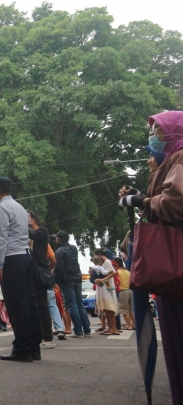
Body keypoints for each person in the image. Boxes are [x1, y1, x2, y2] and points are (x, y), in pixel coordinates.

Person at [119, 111, 183, 404]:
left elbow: (174, 204)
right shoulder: (174, 160)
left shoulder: (180, 158)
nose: (153, 134)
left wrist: (142, 201)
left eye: (158, 129)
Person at [0, 176, 42, 363]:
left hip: (12, 259)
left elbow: (0, 239)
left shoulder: (1, 208)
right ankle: (34, 348)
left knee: (17, 305)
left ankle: (22, 349)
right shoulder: (19, 207)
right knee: (29, 303)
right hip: (26, 257)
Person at [54, 231, 92, 338]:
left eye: (56, 238)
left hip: (66, 280)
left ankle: (78, 331)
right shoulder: (74, 248)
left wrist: (56, 280)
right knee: (79, 304)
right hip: (77, 277)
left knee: (72, 304)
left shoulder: (59, 251)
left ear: (59, 239)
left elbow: (59, 268)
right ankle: (87, 329)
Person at [27, 210, 55, 349]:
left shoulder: (42, 231)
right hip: (30, 272)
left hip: (40, 272)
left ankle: (48, 337)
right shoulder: (28, 235)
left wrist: (18, 223)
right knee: (33, 305)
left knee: (42, 305)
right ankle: (35, 335)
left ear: (33, 219)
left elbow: (32, 234)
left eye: (26, 217)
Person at [92, 249, 119, 335]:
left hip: (107, 287)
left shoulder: (107, 262)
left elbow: (114, 273)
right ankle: (110, 327)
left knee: (109, 308)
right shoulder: (102, 263)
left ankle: (114, 328)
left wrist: (103, 279)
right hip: (102, 287)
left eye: (95, 255)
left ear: (99, 254)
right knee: (106, 309)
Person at [115, 259, 134, 330]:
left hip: (122, 291)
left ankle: (129, 326)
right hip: (130, 291)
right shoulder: (128, 272)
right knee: (131, 310)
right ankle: (134, 324)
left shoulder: (117, 272)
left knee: (124, 310)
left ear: (116, 264)